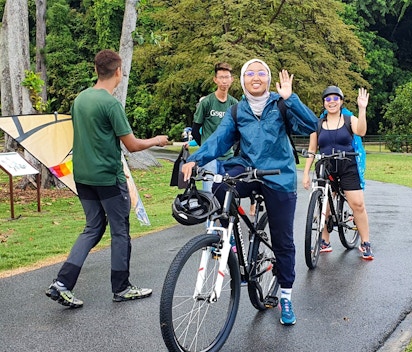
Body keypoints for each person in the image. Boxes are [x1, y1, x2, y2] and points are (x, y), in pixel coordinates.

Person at [181, 59, 317, 325]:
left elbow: (311, 125)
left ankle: (286, 296)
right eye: (250, 73)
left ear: (268, 79)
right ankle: (226, 238)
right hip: (247, 169)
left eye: (262, 73)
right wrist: (196, 159)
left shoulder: (281, 104)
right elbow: (219, 140)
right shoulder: (237, 110)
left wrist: (291, 99)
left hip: (279, 176)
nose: (256, 77)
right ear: (242, 80)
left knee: (283, 240)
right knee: (220, 185)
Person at [45, 49, 169, 308]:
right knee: (120, 231)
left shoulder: (80, 99)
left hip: (83, 176)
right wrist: (157, 140)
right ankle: (121, 288)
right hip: (109, 179)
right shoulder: (110, 104)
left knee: (92, 227)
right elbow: (132, 145)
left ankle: (62, 283)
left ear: (95, 70)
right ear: (118, 72)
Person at [302, 85, 374, 260]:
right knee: (324, 206)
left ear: (341, 102)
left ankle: (365, 242)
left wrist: (362, 109)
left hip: (347, 166)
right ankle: (324, 241)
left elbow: (362, 131)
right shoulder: (318, 125)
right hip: (325, 166)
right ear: (324, 103)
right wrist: (305, 173)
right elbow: (312, 149)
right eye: (328, 99)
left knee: (357, 204)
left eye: (335, 99)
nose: (331, 102)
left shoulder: (350, 120)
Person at [191, 62, 238, 193]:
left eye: (227, 77)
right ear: (215, 80)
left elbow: (238, 131)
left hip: (228, 156)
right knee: (209, 193)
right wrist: (206, 148)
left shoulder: (234, 104)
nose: (224, 81)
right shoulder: (207, 102)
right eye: (221, 77)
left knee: (228, 192)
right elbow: (195, 129)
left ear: (232, 79)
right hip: (210, 157)